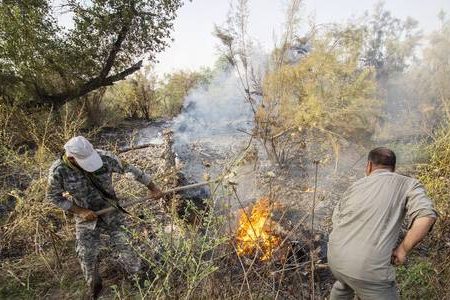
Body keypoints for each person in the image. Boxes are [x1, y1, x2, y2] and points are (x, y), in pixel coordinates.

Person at [47, 136, 162, 299]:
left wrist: (153, 187)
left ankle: (139, 279)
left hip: (110, 210)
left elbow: (131, 170)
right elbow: (53, 197)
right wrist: (79, 211)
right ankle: (95, 288)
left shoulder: (106, 158)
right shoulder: (58, 171)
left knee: (126, 245)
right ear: (72, 158)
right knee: (87, 254)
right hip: (86, 216)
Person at [328, 147, 437, 300]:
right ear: (393, 168)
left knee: (345, 283)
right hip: (368, 271)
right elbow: (426, 216)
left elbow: (337, 221)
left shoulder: (355, 186)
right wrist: (403, 249)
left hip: (335, 261)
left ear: (369, 166)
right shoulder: (408, 184)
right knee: (360, 278)